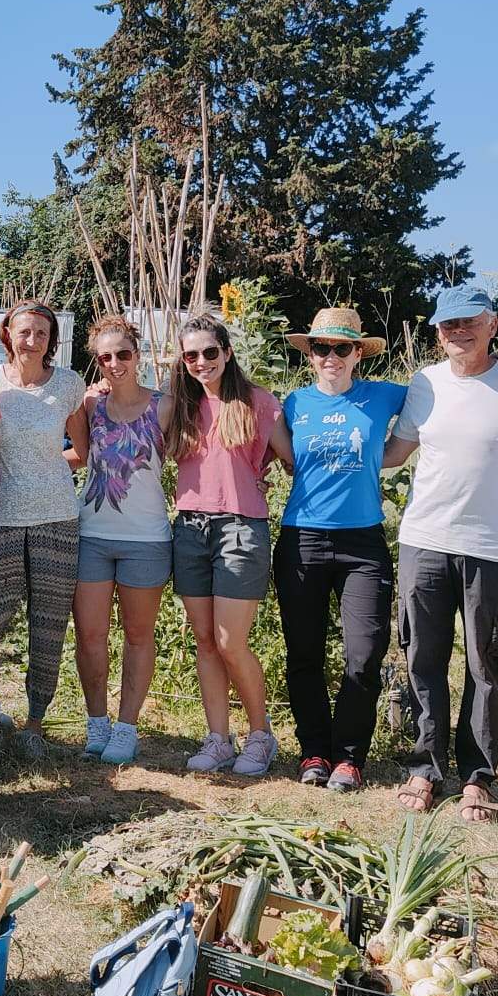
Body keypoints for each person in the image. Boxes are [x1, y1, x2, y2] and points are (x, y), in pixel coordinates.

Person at [384, 285, 498, 823]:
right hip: (425, 541)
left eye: (469, 322)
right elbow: (395, 454)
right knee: (423, 658)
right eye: (447, 324)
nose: (458, 332)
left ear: (492, 325)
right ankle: (424, 767)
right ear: (437, 332)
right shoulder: (423, 384)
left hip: (497, 550)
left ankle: (478, 775)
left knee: (486, 664)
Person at [274, 308, 407, 792]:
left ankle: (350, 757)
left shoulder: (386, 395)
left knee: (364, 653)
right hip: (302, 539)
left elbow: (448, 397)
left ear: (358, 354)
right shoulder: (292, 404)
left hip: (363, 543)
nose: (331, 357)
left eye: (342, 348)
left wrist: (494, 361)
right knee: (304, 653)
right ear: (309, 354)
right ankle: (313, 752)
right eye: (321, 348)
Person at [166, 309, 293, 777]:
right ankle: (218, 738)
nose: (202, 361)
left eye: (210, 352)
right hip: (190, 527)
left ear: (228, 352)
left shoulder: (259, 402)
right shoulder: (178, 404)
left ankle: (261, 735)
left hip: (241, 528)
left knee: (230, 640)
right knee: (204, 640)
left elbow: (294, 462)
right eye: (192, 355)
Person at [0, 300, 87, 758]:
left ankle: (36, 722)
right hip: (0, 519)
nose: (32, 340)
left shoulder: (67, 385)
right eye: (24, 332)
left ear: (51, 340)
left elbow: (82, 450)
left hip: (57, 519)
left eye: (41, 333)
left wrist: (43, 467)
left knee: (49, 624)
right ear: (8, 334)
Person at [74, 314, 171, 766]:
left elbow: (195, 457)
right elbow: (77, 453)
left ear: (138, 355)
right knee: (90, 635)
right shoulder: (91, 407)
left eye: (123, 354)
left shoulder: (164, 406)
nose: (114, 363)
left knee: (137, 635)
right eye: (105, 357)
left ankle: (126, 727)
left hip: (147, 539)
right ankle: (97, 722)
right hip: (93, 534)